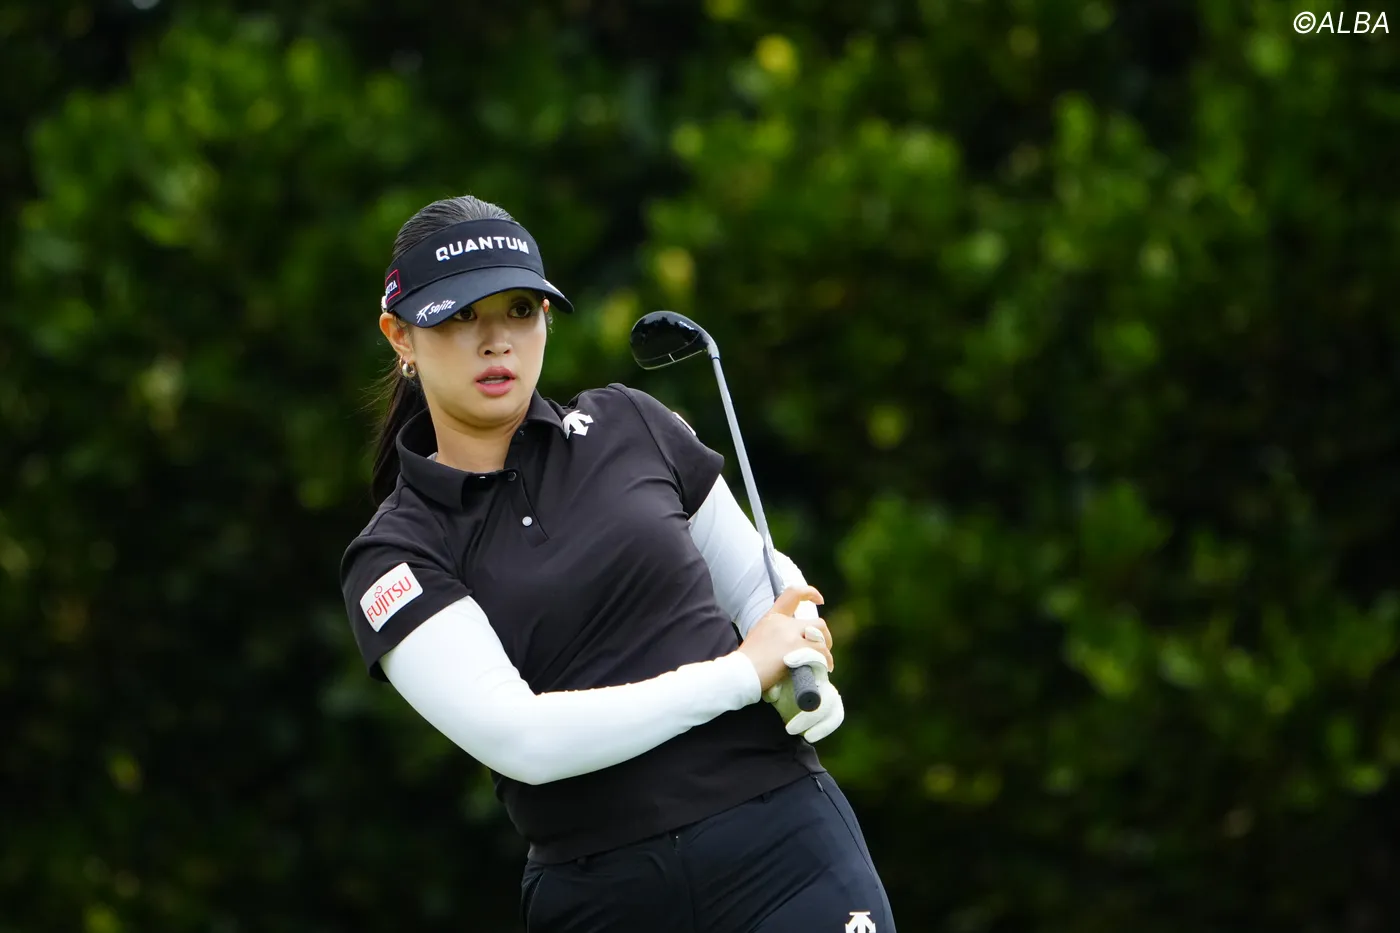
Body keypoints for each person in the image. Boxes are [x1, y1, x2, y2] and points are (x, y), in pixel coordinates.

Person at [339, 194, 897, 933]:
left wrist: (798, 635)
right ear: (399, 335)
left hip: (784, 851)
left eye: (519, 310)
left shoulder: (633, 423)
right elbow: (524, 740)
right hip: (603, 896)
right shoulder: (394, 555)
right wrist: (740, 675)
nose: (496, 341)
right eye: (460, 316)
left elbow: (761, 587)